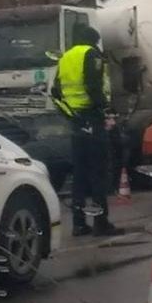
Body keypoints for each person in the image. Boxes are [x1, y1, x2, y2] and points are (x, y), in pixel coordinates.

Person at [50, 25, 122, 237]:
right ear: (93, 40)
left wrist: (70, 115)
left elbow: (56, 92)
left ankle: (79, 224)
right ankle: (101, 222)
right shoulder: (91, 54)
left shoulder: (65, 58)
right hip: (93, 120)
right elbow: (93, 87)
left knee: (80, 175)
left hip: (77, 123)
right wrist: (106, 111)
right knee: (99, 172)